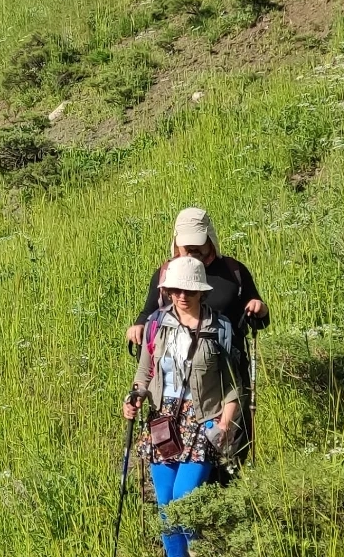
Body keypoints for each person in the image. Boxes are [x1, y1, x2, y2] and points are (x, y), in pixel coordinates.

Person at [125, 207, 270, 463]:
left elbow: (258, 313)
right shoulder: (168, 273)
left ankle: (227, 490)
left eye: (197, 245)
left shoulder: (233, 271)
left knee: (231, 439)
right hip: (179, 370)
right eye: (186, 245)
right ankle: (190, 493)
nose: (192, 251)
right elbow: (151, 309)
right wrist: (139, 324)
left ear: (210, 240)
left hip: (227, 365)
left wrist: (259, 307)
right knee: (176, 442)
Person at [123, 256, 242, 557]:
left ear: (202, 292)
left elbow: (234, 387)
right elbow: (144, 372)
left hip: (203, 422)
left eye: (188, 291)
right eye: (175, 290)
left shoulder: (220, 329)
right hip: (163, 422)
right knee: (166, 507)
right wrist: (134, 397)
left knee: (183, 502)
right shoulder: (156, 324)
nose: (181, 296)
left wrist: (225, 425)